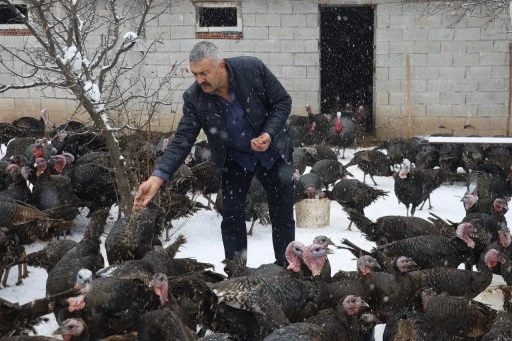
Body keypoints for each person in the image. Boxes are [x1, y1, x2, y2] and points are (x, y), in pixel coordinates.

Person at [134, 41, 295, 266]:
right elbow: (182, 139)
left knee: (283, 211)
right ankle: (236, 274)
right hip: (235, 159)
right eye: (195, 74)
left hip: (272, 151)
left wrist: (268, 133)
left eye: (204, 73)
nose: (200, 80)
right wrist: (157, 177)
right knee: (231, 217)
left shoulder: (252, 69)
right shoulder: (194, 98)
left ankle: (287, 267)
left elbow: (282, 102)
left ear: (221, 66)